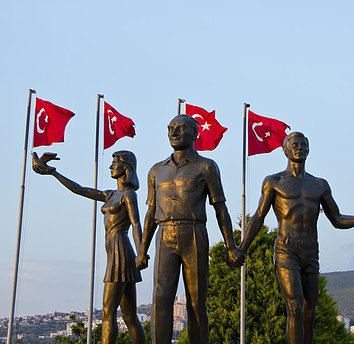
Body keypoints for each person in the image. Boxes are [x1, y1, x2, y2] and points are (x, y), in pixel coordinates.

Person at [239, 131, 354, 344]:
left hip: (310, 250)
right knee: (295, 307)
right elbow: (259, 217)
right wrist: (242, 248)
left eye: (303, 144)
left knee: (310, 312)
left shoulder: (320, 185)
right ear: (285, 150)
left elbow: (337, 219)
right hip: (286, 249)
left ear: (309, 150)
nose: (299, 147)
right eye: (295, 144)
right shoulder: (274, 181)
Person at [135, 114, 244, 344]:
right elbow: (151, 213)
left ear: (195, 133)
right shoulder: (156, 170)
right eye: (170, 128)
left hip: (194, 234)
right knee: (161, 298)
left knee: (196, 303)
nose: (173, 133)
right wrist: (142, 250)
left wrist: (230, 246)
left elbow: (220, 207)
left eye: (180, 129)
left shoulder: (206, 166)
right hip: (165, 236)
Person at [32, 150, 146, 344]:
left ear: (126, 167)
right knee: (129, 316)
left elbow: (136, 224)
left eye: (115, 162)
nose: (110, 166)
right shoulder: (109, 194)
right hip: (115, 251)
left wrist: (141, 252)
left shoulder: (128, 195)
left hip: (121, 250)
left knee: (108, 312)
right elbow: (79, 189)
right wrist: (53, 173)